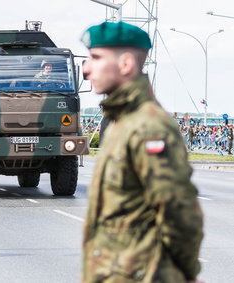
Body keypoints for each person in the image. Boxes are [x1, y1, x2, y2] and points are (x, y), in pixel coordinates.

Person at [81, 22, 204, 283]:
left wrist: (186, 274)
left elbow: (179, 211)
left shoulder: (148, 127)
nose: (86, 69)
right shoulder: (121, 123)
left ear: (125, 64)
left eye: (96, 58)